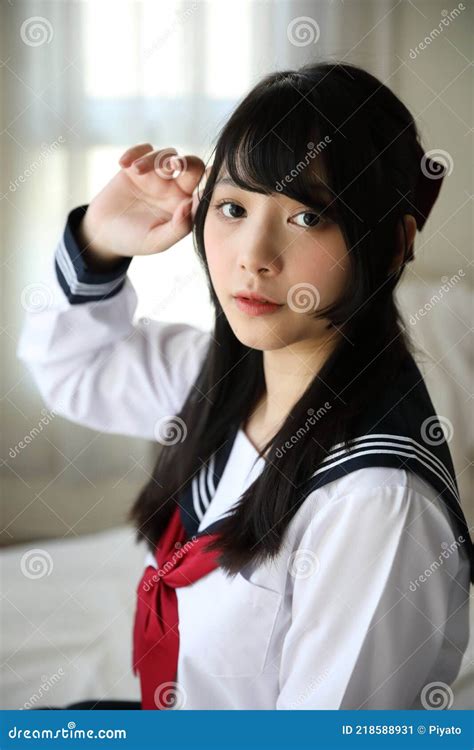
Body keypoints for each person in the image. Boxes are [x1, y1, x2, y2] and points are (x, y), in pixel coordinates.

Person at [17, 61, 473, 711]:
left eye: (308, 217)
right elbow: (72, 368)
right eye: (233, 208)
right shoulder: (228, 378)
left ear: (394, 245)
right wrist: (100, 238)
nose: (252, 254)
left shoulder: (375, 504)